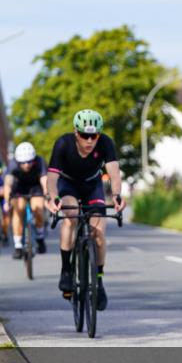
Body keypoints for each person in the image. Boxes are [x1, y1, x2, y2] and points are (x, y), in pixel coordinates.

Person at [45, 109, 127, 311]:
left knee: (99, 232)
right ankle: (66, 270)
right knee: (71, 215)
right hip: (68, 185)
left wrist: (116, 195)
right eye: (84, 135)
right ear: (76, 132)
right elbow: (52, 179)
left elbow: (114, 175)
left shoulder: (106, 143)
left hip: (92, 185)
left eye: (94, 135)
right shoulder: (63, 144)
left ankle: (98, 281)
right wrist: (53, 198)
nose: (90, 140)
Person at [3, 142, 49, 259]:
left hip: (35, 187)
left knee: (37, 209)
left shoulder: (40, 161)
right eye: (23, 163)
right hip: (19, 188)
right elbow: (8, 183)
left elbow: (44, 180)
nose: (27, 165)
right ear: (18, 162)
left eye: (29, 161)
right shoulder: (13, 164)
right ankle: (18, 246)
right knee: (18, 211)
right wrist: (7, 201)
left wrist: (47, 195)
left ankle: (40, 237)